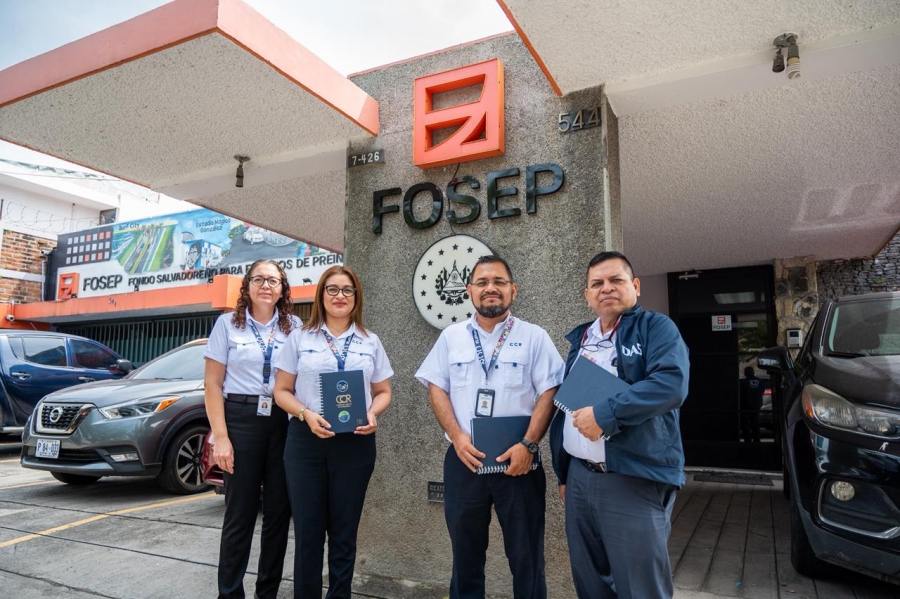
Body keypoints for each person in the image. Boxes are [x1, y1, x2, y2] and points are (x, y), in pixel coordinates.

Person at [416, 255, 565, 599]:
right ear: (469, 291)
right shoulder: (451, 337)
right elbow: (436, 387)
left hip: (520, 464)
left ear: (513, 290)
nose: (490, 288)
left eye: (499, 281)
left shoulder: (534, 337)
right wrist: (457, 437)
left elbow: (550, 391)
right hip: (465, 461)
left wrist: (529, 445)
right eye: (482, 282)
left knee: (527, 559)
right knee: (465, 559)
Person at [549, 251, 689, 599]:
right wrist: (564, 474)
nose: (606, 288)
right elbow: (566, 405)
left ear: (636, 286)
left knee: (640, 587)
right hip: (580, 479)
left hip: (632, 477)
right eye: (597, 283)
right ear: (587, 294)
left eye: (616, 280)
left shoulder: (656, 328)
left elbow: (671, 384)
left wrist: (605, 415)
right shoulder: (581, 339)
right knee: (590, 583)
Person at [273, 265, 393, 599]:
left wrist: (372, 413)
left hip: (355, 444)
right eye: (333, 289)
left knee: (344, 532)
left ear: (356, 297)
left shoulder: (370, 341)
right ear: (321, 295)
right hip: (306, 442)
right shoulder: (300, 338)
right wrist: (306, 414)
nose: (340, 296)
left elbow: (383, 391)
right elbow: (281, 391)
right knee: (308, 532)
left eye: (347, 290)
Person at [204, 259, 300, 599]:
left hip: (283, 421)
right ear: (246, 286)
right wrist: (221, 438)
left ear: (282, 289)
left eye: (273, 281)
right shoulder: (227, 324)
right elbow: (212, 385)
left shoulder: (294, 326)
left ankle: (267, 593)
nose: (266, 286)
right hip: (241, 420)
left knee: (278, 514)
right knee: (240, 514)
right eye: (259, 279)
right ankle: (230, 593)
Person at [740, 366, 763, 443]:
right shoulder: (760, 381)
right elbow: (761, 392)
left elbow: (741, 394)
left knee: (745, 424)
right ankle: (756, 440)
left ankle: (747, 440)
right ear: (753, 372)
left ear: (745, 373)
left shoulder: (743, 382)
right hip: (757, 405)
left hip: (746, 405)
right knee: (755, 423)